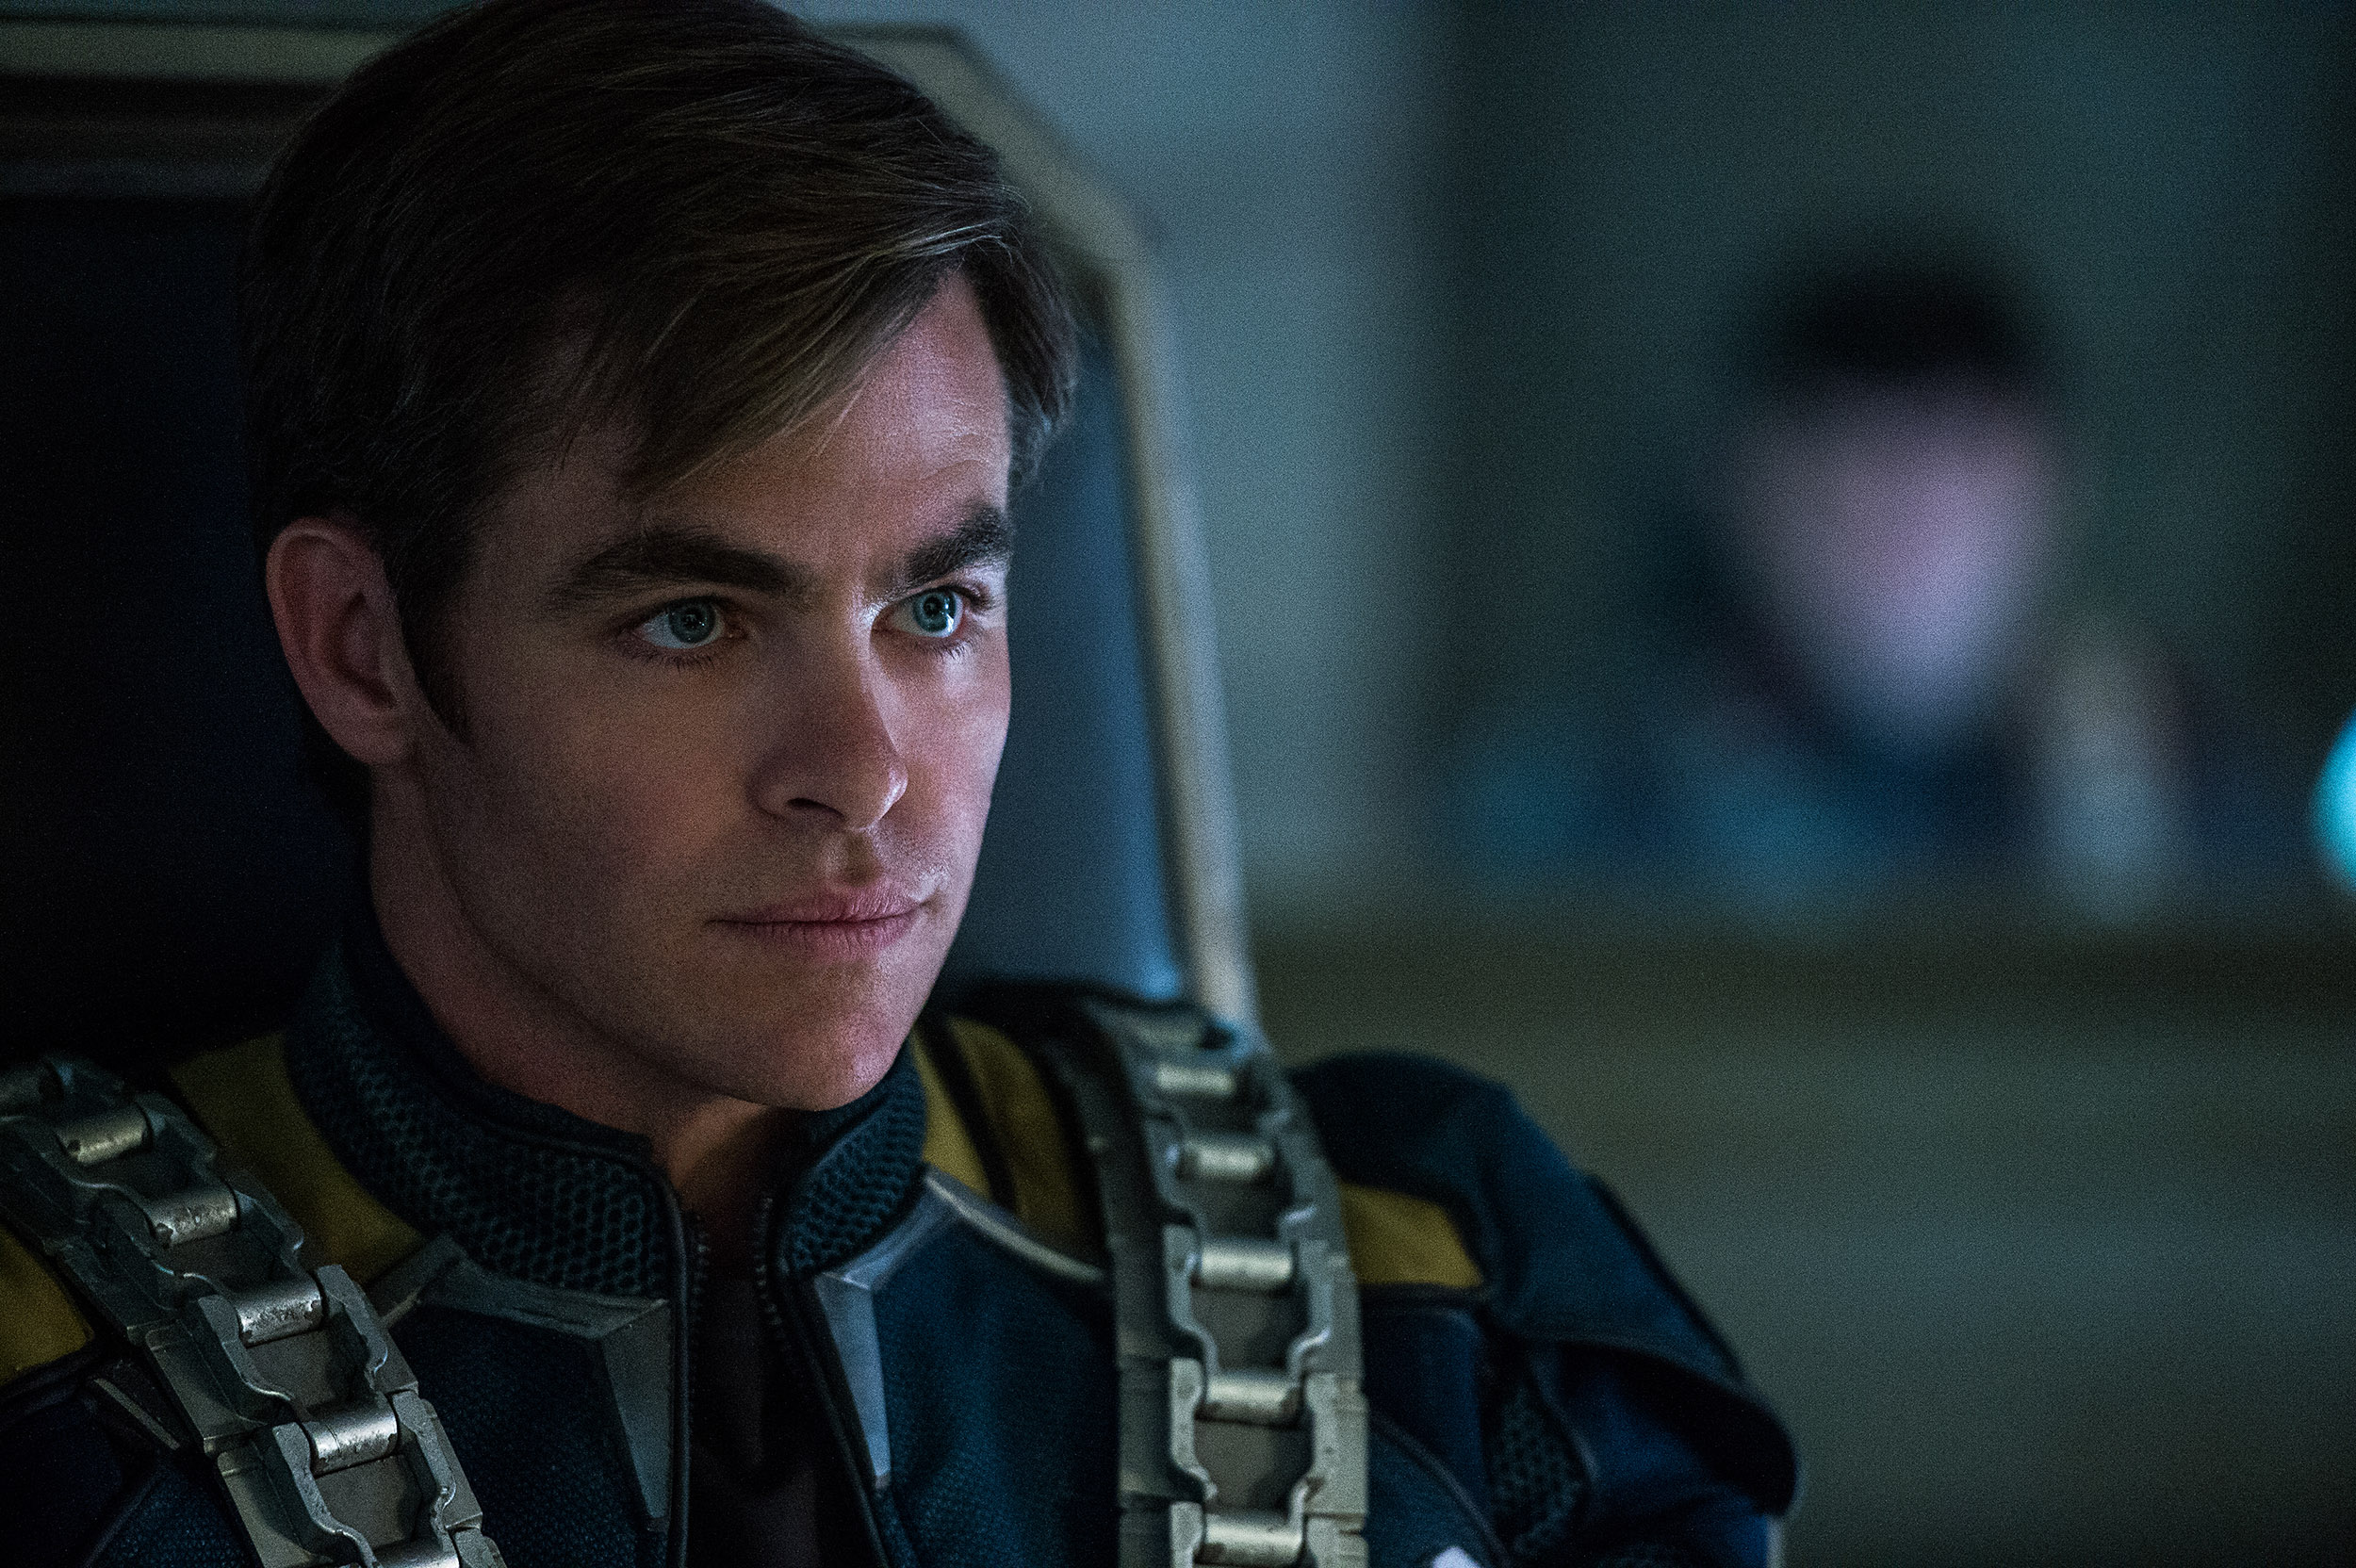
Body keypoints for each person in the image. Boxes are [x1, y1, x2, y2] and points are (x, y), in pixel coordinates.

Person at [0, 4, 1794, 1565]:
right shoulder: (43, 1397)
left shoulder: (1425, 1272)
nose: (864, 774)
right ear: (363, 648)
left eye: (935, 608)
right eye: (693, 619)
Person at [1458, 263, 2302, 918]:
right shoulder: (1586, 800)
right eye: (1849, 450)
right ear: (1734, 483)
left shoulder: (2188, 773)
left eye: (1964, 448)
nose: (1910, 505)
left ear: (2056, 481)